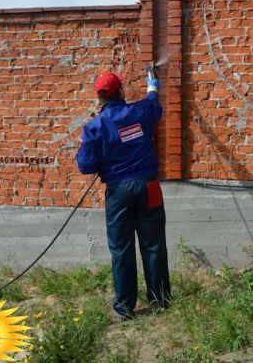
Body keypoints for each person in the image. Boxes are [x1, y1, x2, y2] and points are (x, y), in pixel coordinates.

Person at [76, 70, 170, 320]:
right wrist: (152, 84)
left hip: (118, 193)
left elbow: (85, 165)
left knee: (121, 249)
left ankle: (125, 308)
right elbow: (154, 106)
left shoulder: (95, 126)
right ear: (121, 91)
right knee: (153, 244)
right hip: (148, 187)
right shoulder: (139, 112)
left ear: (99, 98)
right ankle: (160, 301)